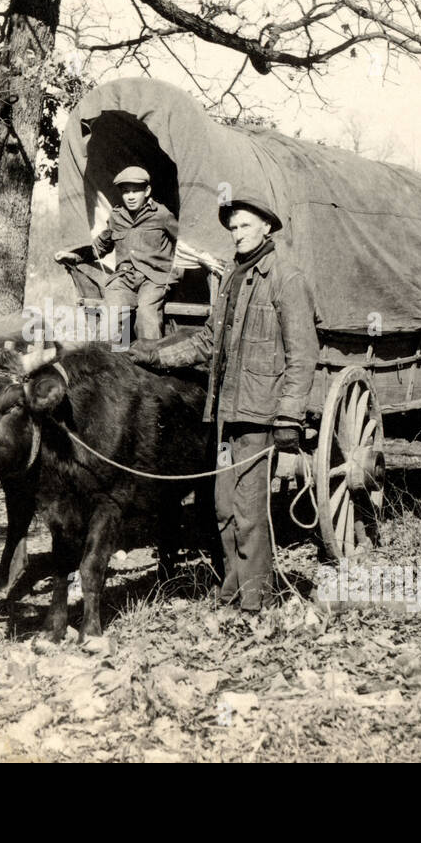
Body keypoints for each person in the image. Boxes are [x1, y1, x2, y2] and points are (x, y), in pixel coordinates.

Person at [129, 198, 317, 613]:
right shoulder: (233, 276)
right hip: (224, 412)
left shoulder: (285, 277)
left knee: (249, 512)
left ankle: (255, 601)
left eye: (246, 225)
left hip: (260, 414)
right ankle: (232, 592)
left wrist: (289, 415)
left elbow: (303, 355)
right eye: (233, 228)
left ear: (267, 227)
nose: (238, 233)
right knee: (223, 508)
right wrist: (156, 357)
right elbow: (207, 342)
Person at [55, 165, 177, 340]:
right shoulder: (117, 216)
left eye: (136, 191)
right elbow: (99, 247)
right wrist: (73, 256)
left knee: (146, 316)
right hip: (124, 280)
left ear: (147, 191)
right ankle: (111, 363)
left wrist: (175, 272)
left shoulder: (162, 215)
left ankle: (150, 362)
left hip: (154, 279)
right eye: (126, 192)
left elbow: (182, 243)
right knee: (109, 319)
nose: (131, 196)